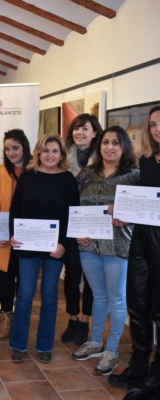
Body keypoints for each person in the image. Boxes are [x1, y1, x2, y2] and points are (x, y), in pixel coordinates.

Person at [71, 126, 139, 375]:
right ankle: (95, 341)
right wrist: (77, 230)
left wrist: (125, 214)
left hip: (117, 246)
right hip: (88, 245)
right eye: (106, 142)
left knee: (117, 299)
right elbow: (73, 203)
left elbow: (143, 211)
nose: (110, 147)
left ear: (124, 148)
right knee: (98, 295)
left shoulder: (134, 176)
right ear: (99, 146)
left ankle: (111, 351)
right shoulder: (88, 174)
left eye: (116, 143)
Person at [9, 134, 79, 363]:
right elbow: (15, 210)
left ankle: (44, 345)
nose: (50, 155)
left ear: (61, 154)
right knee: (26, 294)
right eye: (46, 150)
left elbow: (72, 215)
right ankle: (19, 344)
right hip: (27, 246)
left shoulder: (68, 179)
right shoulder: (28, 177)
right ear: (38, 152)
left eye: (55, 151)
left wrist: (64, 245)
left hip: (54, 248)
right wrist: (12, 235)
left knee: (49, 295)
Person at [109, 105, 160, 390]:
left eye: (159, 124)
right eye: (152, 124)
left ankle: (157, 370)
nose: (156, 129)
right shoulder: (148, 161)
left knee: (158, 309)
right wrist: (124, 210)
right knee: (137, 304)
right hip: (140, 241)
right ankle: (140, 362)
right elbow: (144, 202)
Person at [61, 114, 102, 345]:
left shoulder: (104, 160)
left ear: (95, 132)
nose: (80, 133)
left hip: (96, 228)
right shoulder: (64, 159)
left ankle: (85, 321)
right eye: (76, 129)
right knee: (72, 274)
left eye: (85, 128)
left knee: (92, 279)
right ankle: (73, 318)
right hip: (71, 226)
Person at [0, 129, 31, 339]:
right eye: (7, 149)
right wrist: (0, 231)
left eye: (16, 147)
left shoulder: (35, 170)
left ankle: (21, 319)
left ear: (24, 147)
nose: (11, 152)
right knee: (6, 277)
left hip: (28, 235)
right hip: (4, 235)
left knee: (25, 279)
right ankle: (6, 316)